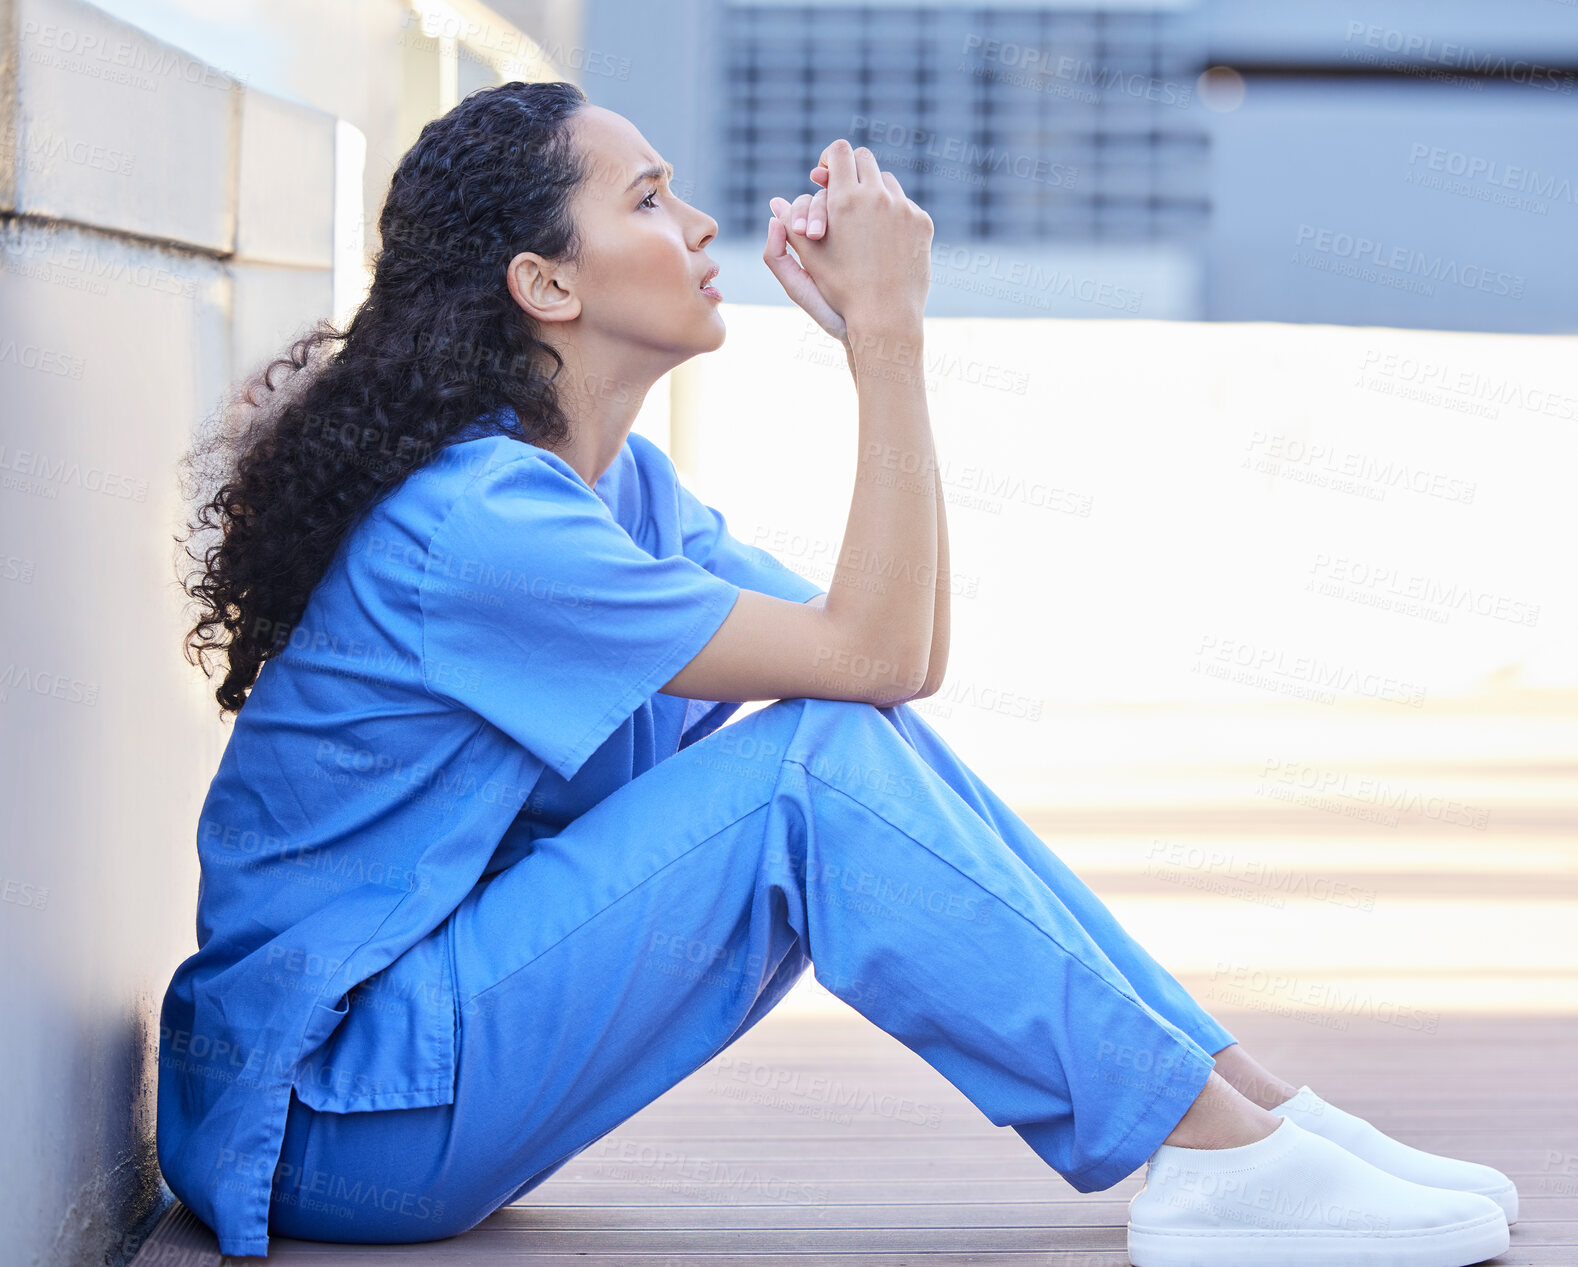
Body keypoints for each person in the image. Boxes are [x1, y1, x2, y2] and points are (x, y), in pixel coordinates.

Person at [159, 80, 1516, 1267]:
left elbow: (882, 661)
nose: (696, 226)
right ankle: (1213, 1151)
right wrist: (886, 337)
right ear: (547, 283)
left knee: (835, 740)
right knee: (811, 769)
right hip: (329, 1119)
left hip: (412, 1089)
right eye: (647, 197)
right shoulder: (482, 526)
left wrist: (883, 342)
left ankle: (1246, 1114)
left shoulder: (610, 493)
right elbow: (869, 662)